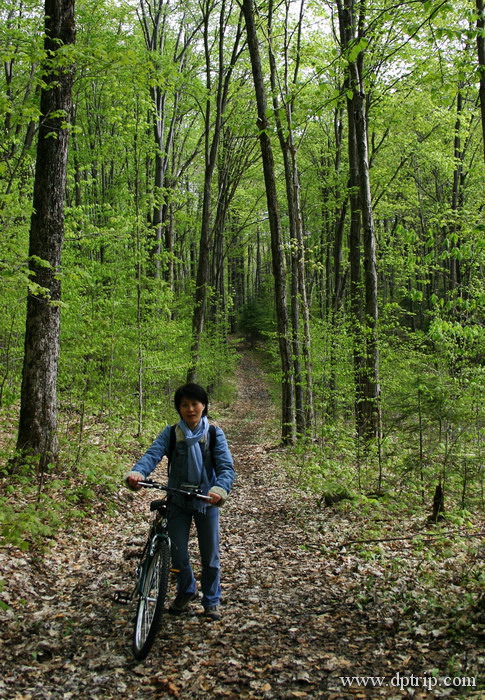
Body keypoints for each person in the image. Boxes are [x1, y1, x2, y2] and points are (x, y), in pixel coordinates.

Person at [126, 383, 235, 621]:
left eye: (194, 403)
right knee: (177, 555)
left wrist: (219, 489)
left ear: (203, 405)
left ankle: (211, 600)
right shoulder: (171, 433)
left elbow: (226, 468)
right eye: (184, 405)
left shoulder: (215, 434)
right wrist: (138, 473)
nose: (190, 409)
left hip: (206, 501)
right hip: (177, 501)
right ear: (178, 408)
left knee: (210, 556)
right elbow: (152, 455)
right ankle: (186, 591)